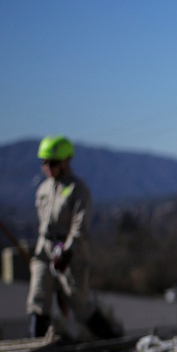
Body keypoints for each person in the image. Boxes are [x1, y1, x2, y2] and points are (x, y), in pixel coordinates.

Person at [27, 135, 120, 340]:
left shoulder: (78, 190)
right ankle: (35, 348)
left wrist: (68, 251)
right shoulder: (43, 190)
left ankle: (111, 343)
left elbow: (80, 226)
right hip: (45, 248)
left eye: (52, 163)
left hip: (69, 252)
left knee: (79, 302)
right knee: (38, 298)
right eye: (44, 162)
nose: (47, 167)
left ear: (65, 161)